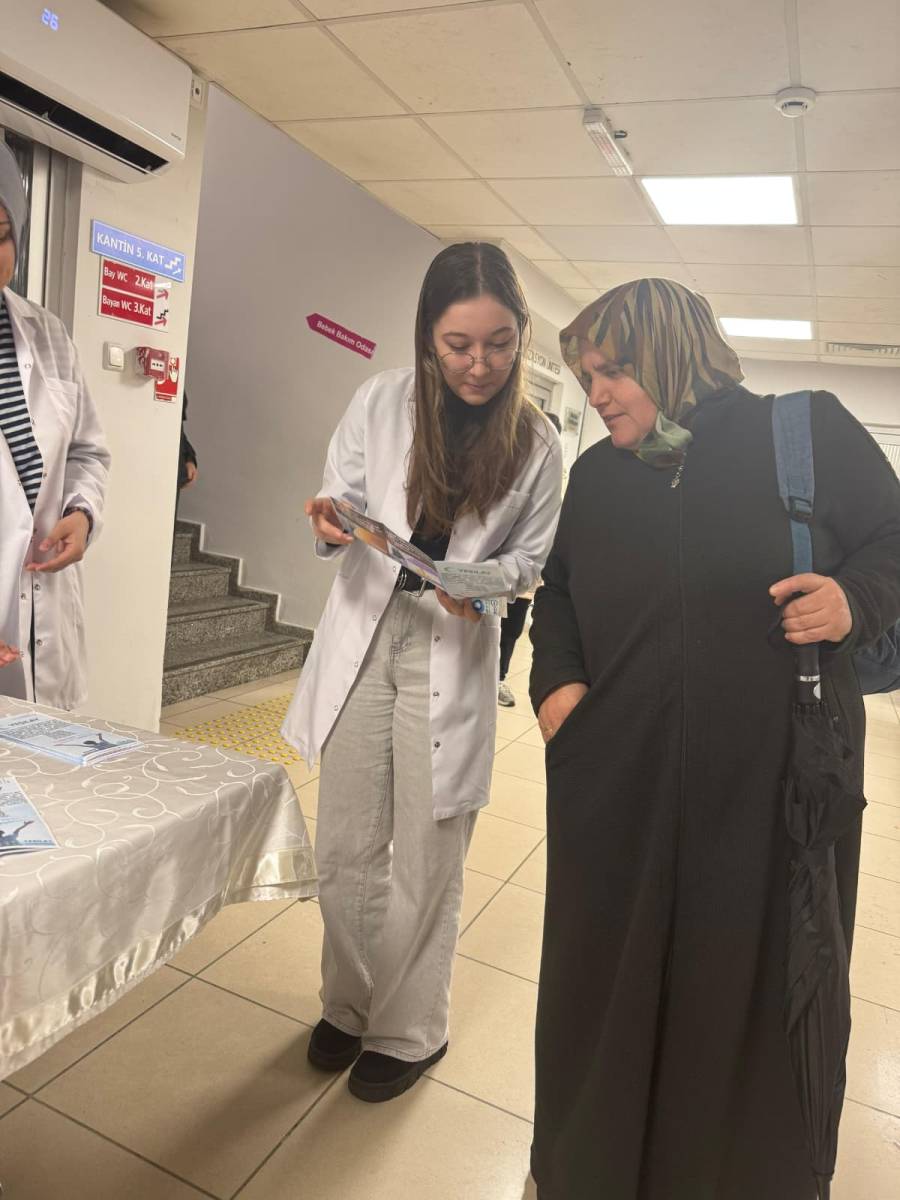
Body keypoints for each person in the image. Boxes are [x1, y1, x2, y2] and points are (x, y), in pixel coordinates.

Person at [528, 278, 900, 1200]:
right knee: (606, 980)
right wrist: (557, 683)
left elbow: (895, 540)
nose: (597, 393)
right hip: (619, 783)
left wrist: (853, 599)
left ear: (674, 355)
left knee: (752, 986)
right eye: (587, 376)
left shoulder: (802, 431)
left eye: (615, 370)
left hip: (771, 786)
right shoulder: (598, 476)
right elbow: (559, 592)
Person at [282, 242, 563, 1103]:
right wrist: (331, 521)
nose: (479, 365)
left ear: (521, 338)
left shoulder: (539, 442)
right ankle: (349, 1002)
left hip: (450, 641)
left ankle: (409, 1029)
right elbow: (341, 497)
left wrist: (478, 582)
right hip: (368, 634)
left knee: (428, 856)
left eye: (499, 343)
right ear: (427, 337)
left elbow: (530, 560)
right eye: (458, 344)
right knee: (345, 846)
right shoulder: (381, 400)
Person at [0, 141, 110, 711]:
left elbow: (87, 451)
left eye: (0, 235)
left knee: (44, 758)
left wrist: (82, 514)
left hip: (43, 613)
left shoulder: (47, 334)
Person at [498, 410, 561, 707]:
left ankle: (500, 678)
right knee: (497, 625)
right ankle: (494, 676)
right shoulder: (508, 469)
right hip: (496, 573)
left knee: (511, 629)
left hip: (525, 578)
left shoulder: (552, 480)